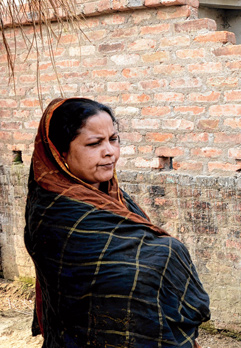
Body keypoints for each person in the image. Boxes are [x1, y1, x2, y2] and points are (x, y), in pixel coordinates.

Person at [24, 98, 210, 347]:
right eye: (94, 143)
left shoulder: (110, 195)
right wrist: (168, 253)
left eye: (113, 139)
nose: (110, 151)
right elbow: (109, 281)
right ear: (61, 153)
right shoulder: (54, 214)